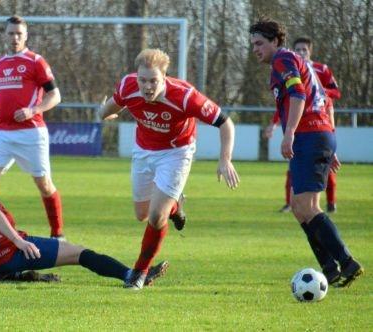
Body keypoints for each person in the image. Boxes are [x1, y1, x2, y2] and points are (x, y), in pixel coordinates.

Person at [0, 137, 168, 286]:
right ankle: (131, 275)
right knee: (79, 253)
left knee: (4, 266)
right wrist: (18, 241)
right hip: (8, 252)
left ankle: (22, 275)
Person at [99, 48, 240, 290]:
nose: (147, 86)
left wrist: (225, 159)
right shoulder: (127, 86)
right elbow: (111, 106)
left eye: (153, 80)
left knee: (156, 217)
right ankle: (176, 205)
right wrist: (104, 114)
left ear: (164, 77)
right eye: (143, 80)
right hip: (143, 151)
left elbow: (225, 122)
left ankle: (139, 272)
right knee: (141, 214)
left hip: (177, 153)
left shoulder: (185, 97)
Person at [249, 18, 363, 287]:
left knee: (307, 206)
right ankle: (330, 268)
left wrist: (289, 134)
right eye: (253, 44)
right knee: (298, 206)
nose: (255, 49)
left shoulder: (283, 60)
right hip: (318, 135)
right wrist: (329, 141)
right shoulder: (295, 61)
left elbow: (299, 96)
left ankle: (346, 262)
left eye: (259, 43)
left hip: (310, 135)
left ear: (275, 41)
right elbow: (321, 99)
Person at [0, 15, 65, 239]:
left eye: (19, 34)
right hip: (1, 133)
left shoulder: (36, 61)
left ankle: (58, 233)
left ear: (26, 36)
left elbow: (55, 95)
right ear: (4, 35)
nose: (15, 37)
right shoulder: (0, 63)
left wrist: (33, 110)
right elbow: (3, 100)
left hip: (30, 133)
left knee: (43, 184)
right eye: (11, 33)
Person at [264, 37, 341, 213]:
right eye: (298, 49)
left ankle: (331, 203)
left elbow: (334, 92)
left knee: (311, 205)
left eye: (304, 50)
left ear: (310, 51)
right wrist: (274, 124)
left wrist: (314, 90)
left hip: (317, 125)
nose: (301, 52)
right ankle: (288, 203)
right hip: (309, 130)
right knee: (302, 202)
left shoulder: (319, 70)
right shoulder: (292, 67)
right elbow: (286, 103)